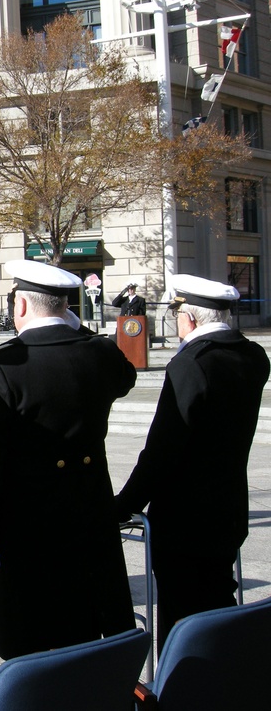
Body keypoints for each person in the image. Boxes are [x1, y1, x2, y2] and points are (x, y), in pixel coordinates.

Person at [0, 259, 137, 660]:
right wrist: (76, 327)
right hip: (90, 517)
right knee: (87, 633)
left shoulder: (2, 364)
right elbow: (125, 376)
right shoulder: (99, 353)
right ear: (65, 307)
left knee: (33, 644)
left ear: (20, 306)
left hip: (28, 529)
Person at [115, 274, 269, 654]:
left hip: (185, 518)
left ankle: (188, 688)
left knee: (183, 618)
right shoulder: (253, 355)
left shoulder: (191, 363)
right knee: (218, 600)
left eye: (176, 311)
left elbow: (162, 448)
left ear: (191, 318)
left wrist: (124, 503)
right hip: (228, 508)